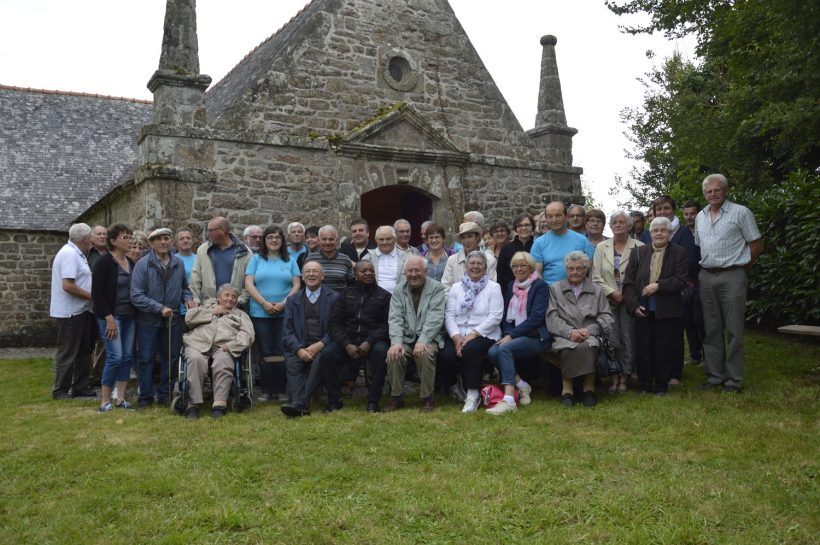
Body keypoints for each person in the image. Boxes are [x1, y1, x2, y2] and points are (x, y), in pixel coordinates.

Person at [696, 173, 762, 393]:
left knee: (734, 329)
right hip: (706, 276)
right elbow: (701, 246)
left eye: (717, 190)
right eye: (708, 191)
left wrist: (742, 268)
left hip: (732, 275)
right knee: (711, 329)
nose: (713, 194)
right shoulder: (700, 216)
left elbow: (756, 244)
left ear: (726, 191)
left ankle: (734, 380)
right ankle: (715, 376)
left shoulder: (741, 212)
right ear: (704, 194)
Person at [623, 217, 688, 395]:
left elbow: (681, 280)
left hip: (667, 309)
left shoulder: (679, 252)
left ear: (670, 233)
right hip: (642, 309)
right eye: (655, 230)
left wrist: (659, 286)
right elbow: (628, 282)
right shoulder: (638, 252)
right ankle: (644, 385)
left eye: (663, 230)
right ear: (650, 233)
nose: (659, 233)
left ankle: (661, 385)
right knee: (644, 347)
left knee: (663, 347)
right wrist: (633, 304)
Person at [131, 228, 193, 407]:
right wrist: (159, 308)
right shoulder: (143, 264)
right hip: (148, 320)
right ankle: (145, 397)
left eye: (166, 239)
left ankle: (165, 395)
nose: (163, 242)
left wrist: (188, 299)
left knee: (171, 358)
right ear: (151, 244)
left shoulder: (178, 263)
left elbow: (184, 288)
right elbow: (136, 296)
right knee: (146, 358)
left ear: (171, 241)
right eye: (158, 240)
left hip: (172, 319)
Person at [643, 195, 701, 385]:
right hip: (651, 297)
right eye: (658, 209)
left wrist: (662, 282)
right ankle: (654, 371)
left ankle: (675, 373)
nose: (662, 212)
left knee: (674, 336)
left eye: (666, 208)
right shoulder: (647, 234)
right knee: (656, 337)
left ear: (673, 210)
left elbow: (690, 262)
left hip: (679, 291)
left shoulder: (683, 233)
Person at [486, 251, 551, 414]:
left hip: (537, 336)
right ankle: (522, 385)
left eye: (522, 265)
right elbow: (507, 317)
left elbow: (536, 318)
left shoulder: (540, 286)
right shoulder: (511, 286)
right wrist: (508, 333)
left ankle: (509, 400)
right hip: (516, 335)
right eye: (515, 266)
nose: (518, 269)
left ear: (530, 268)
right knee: (493, 351)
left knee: (504, 349)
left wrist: (511, 336)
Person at [546, 251, 613, 408]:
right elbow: (551, 317)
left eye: (579, 268)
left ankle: (588, 390)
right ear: (566, 269)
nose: (574, 272)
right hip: (564, 335)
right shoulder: (555, 289)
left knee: (589, 346)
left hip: (589, 334)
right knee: (569, 347)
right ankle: (567, 390)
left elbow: (606, 316)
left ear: (585, 269)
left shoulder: (596, 290)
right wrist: (570, 332)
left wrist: (590, 330)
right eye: (570, 268)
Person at [438, 252, 503, 414]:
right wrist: (456, 337)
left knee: (470, 350)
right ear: (466, 267)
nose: (475, 266)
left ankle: (473, 395)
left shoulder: (494, 288)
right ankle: (455, 385)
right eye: (472, 263)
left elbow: (495, 317)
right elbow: (450, 315)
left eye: (479, 263)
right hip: (458, 333)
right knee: (446, 355)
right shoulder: (456, 287)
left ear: (485, 267)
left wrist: (472, 335)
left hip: (485, 334)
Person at [245, 225, 301, 403]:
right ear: (265, 241)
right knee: (265, 351)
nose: (274, 240)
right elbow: (249, 284)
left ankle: (282, 389)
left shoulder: (290, 260)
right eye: (270, 237)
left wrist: (284, 303)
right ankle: (267, 390)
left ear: (282, 240)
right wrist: (265, 303)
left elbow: (297, 285)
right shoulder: (256, 259)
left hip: (284, 312)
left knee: (282, 350)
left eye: (277, 237)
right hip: (260, 312)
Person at [181, 284, 255, 419]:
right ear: (218, 297)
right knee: (195, 359)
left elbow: (248, 334)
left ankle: (219, 404)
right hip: (198, 343)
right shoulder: (205, 308)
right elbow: (188, 319)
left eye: (234, 296)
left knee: (223, 360)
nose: (230, 299)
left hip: (223, 345)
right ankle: (193, 404)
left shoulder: (241, 315)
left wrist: (234, 345)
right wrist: (212, 312)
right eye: (227, 295)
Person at [280, 261, 343, 417]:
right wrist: (299, 349)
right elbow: (287, 331)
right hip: (299, 346)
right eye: (307, 271)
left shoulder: (335, 298)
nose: (311, 274)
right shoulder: (293, 299)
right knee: (294, 364)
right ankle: (300, 403)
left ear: (323, 276)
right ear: (302, 276)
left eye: (315, 271)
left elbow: (337, 327)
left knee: (319, 361)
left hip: (324, 346)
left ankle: (300, 403)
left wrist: (321, 344)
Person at [385, 256, 446, 412]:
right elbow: (395, 318)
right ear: (405, 273)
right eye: (410, 271)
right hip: (405, 338)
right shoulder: (399, 289)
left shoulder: (437, 288)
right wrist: (396, 342)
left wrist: (423, 340)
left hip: (429, 338)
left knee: (424, 354)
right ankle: (396, 397)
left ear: (426, 271)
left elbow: (435, 318)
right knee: (394, 355)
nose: (414, 274)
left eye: (418, 270)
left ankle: (427, 398)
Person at [591, 211, 643, 393]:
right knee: (611, 339)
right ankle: (614, 376)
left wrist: (625, 295)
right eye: (615, 222)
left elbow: (641, 277)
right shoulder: (601, 247)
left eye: (622, 222)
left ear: (630, 226)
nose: (618, 225)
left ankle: (626, 376)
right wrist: (612, 292)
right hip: (608, 301)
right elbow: (595, 276)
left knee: (629, 338)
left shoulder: (639, 246)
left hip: (629, 300)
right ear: (611, 226)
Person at [330, 260, 392, 412]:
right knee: (327, 354)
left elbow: (387, 324)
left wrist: (369, 341)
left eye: (371, 270)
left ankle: (373, 401)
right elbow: (335, 323)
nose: (368, 273)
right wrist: (346, 344)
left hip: (373, 340)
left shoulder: (384, 296)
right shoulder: (346, 294)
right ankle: (333, 400)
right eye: (363, 271)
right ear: (355, 275)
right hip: (348, 340)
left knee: (380, 351)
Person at [91, 223, 136, 412]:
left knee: (126, 357)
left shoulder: (131, 262)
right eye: (125, 237)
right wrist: (108, 318)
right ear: (113, 241)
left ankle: (122, 399)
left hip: (130, 317)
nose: (129, 241)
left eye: (129, 237)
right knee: (115, 357)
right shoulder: (104, 262)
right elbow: (97, 293)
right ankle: (105, 401)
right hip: (112, 317)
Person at [50, 223, 96, 400]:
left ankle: (80, 387)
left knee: (84, 350)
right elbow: (68, 285)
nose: (91, 242)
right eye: (90, 238)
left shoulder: (77, 253)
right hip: (70, 312)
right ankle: (60, 389)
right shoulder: (69, 254)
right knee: (68, 351)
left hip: (80, 310)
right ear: (85, 239)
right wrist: (92, 296)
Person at [190, 216, 251, 307]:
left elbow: (250, 281)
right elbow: (195, 277)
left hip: (235, 308)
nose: (208, 234)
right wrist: (196, 299)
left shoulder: (245, 252)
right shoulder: (203, 250)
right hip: (208, 306)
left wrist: (240, 301)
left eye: (211, 230)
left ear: (222, 230)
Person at [531, 202, 595, 285]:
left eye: (558, 215)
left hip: (578, 292)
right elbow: (537, 273)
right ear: (546, 219)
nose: (554, 220)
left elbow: (591, 271)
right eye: (550, 216)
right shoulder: (539, 243)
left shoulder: (582, 240)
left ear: (566, 216)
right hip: (550, 293)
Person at [681, 199, 705, 364]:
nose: (689, 217)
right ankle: (695, 355)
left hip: (703, 281)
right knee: (688, 321)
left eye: (693, 214)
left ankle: (708, 355)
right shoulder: (682, 234)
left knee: (702, 321)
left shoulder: (706, 230)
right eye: (686, 214)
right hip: (686, 284)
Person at [441, 222, 497, 290]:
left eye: (469, 236)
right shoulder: (452, 260)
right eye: (463, 238)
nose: (466, 241)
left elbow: (492, 287)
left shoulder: (489, 260)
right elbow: (446, 286)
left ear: (477, 237)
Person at [304, 225, 354, 293]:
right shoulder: (310, 259)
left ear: (337, 240)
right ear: (319, 240)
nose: (327, 242)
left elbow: (351, 283)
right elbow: (305, 281)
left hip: (340, 301)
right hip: (317, 302)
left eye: (331, 239)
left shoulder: (345, 259)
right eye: (324, 239)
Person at [362, 225, 407, 294]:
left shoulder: (406, 258)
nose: (384, 242)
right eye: (381, 239)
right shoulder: (367, 258)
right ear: (376, 240)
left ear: (395, 239)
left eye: (388, 239)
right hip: (374, 299)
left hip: (400, 299)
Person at [497, 212, 536, 291]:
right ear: (516, 228)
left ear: (532, 227)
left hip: (534, 291)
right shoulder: (506, 249)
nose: (523, 228)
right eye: (520, 225)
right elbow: (501, 276)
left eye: (527, 225)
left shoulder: (537, 246)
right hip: (511, 293)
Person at [174, 228, 197, 316]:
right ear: (176, 243)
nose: (185, 240)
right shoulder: (172, 260)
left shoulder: (199, 259)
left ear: (193, 241)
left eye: (188, 238)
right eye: (182, 239)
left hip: (197, 305)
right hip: (179, 308)